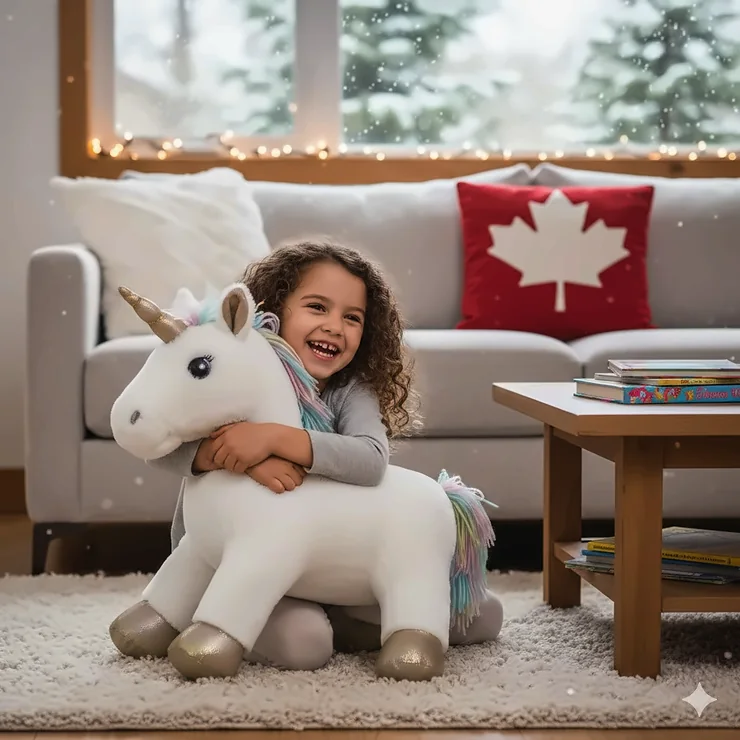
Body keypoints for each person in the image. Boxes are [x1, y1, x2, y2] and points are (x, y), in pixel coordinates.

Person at [148, 239, 503, 671]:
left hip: (339, 567)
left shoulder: (348, 391)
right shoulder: (235, 375)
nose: (335, 326)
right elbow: (160, 445)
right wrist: (221, 454)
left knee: (483, 615)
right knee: (306, 645)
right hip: (246, 566)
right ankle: (229, 612)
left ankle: (356, 620)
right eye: (318, 307)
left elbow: (370, 459)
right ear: (273, 310)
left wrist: (274, 438)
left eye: (352, 317)